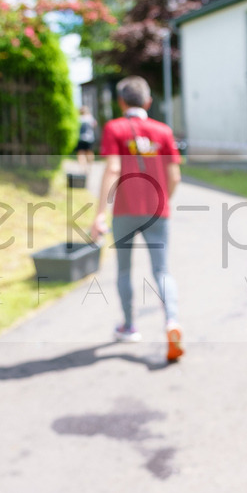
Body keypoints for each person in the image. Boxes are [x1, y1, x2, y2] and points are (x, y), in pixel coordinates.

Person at [90, 76, 184, 362]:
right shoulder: (163, 131)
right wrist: (163, 199)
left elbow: (112, 169)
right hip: (158, 210)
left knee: (123, 270)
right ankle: (172, 322)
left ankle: (129, 326)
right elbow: (175, 176)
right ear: (148, 102)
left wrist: (98, 214)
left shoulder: (115, 128)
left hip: (124, 211)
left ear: (121, 102)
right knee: (162, 270)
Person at [76, 105, 97, 171]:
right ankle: (90, 166)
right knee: (89, 152)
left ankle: (83, 167)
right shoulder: (90, 118)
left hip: (81, 138)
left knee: (81, 153)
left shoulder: (79, 118)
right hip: (89, 138)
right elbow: (95, 124)